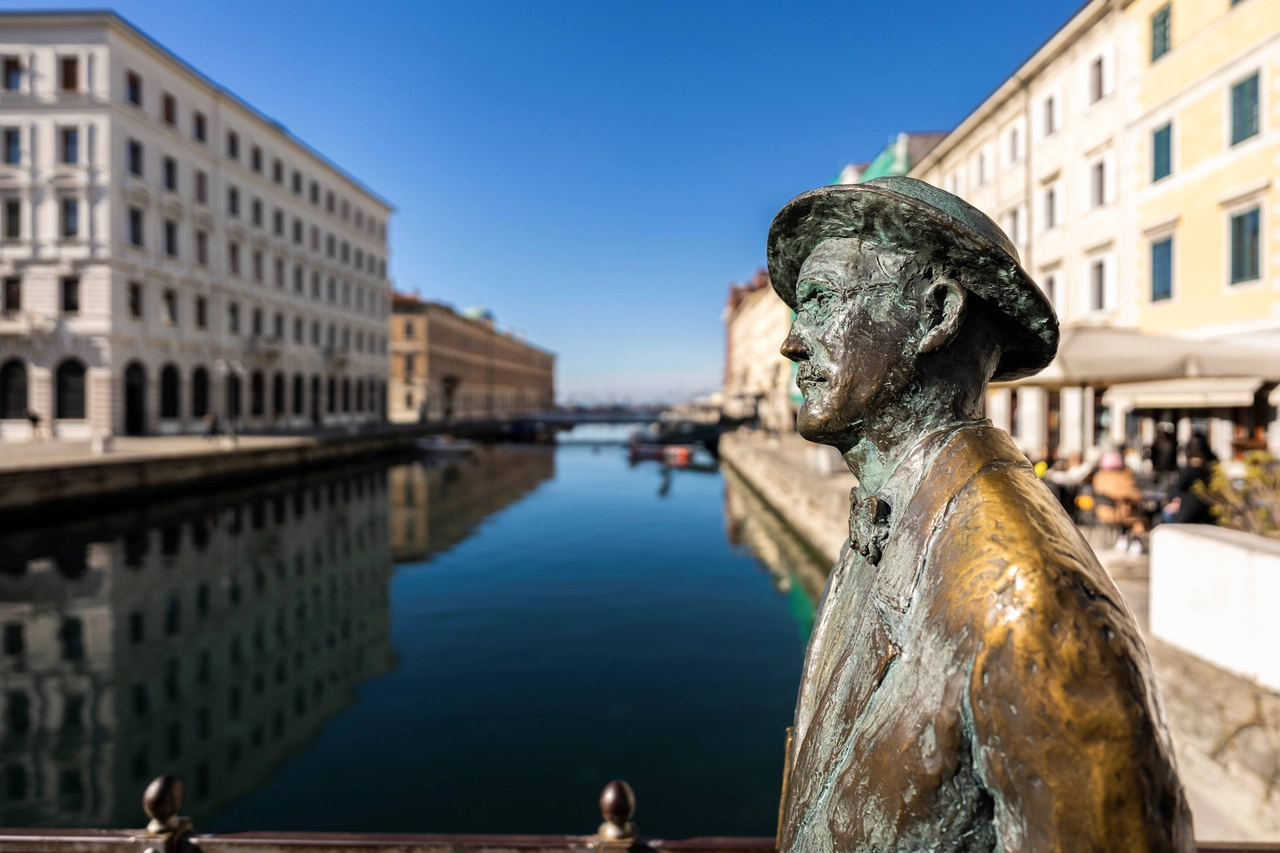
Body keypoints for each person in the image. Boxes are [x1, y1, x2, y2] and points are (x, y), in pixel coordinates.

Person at [768, 177, 1190, 852]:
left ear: (936, 315)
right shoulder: (887, 521)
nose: (793, 340)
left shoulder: (1031, 606)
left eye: (820, 301)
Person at [1092, 449, 1150, 553]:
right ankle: (1135, 541)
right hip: (1116, 512)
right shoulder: (1123, 477)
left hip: (1101, 512)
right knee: (1140, 520)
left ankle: (1123, 539)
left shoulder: (1098, 477)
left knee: (1130, 516)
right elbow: (1134, 494)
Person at [1165, 449, 1213, 524]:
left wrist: (1175, 499)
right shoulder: (1206, 470)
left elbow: (1179, 486)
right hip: (1204, 504)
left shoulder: (1187, 470)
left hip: (1188, 504)